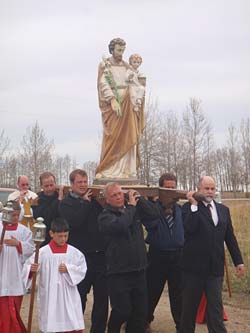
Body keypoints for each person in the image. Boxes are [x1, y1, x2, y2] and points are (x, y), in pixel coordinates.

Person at [180, 176, 245, 333]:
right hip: (193, 269)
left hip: (215, 269)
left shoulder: (223, 210)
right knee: (189, 309)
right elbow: (189, 228)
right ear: (198, 189)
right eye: (206, 188)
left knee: (215, 308)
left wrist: (239, 262)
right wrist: (194, 204)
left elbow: (230, 237)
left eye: (212, 188)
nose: (210, 192)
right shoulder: (187, 208)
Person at [98, 182, 159, 333]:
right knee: (122, 310)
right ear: (107, 199)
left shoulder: (132, 210)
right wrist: (131, 207)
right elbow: (121, 225)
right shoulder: (105, 216)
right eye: (114, 195)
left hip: (139, 270)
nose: (119, 197)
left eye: (120, 193)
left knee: (139, 313)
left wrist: (139, 199)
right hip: (119, 273)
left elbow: (155, 214)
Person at [59, 169, 108, 333]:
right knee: (79, 297)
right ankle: (75, 329)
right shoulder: (66, 204)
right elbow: (75, 222)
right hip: (80, 258)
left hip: (100, 256)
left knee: (102, 298)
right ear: (72, 184)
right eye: (79, 182)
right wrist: (85, 204)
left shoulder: (94, 201)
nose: (83, 185)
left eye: (85, 181)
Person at [23, 218, 87, 333]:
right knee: (51, 321)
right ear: (51, 233)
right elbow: (28, 267)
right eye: (60, 236)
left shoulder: (74, 253)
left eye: (65, 236)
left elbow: (82, 269)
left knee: (71, 320)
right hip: (49, 294)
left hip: (68, 294)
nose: (63, 239)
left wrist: (68, 268)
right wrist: (31, 270)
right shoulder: (42, 253)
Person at [95, 38, 145, 180]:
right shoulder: (105, 65)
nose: (121, 53)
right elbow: (103, 83)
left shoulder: (127, 66)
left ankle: (127, 170)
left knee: (129, 134)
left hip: (128, 104)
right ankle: (108, 169)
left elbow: (135, 81)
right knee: (113, 136)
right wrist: (111, 99)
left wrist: (138, 91)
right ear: (112, 50)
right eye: (118, 50)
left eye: (123, 50)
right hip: (114, 106)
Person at [145, 173, 183, 333]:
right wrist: (153, 204)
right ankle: (143, 321)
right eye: (166, 188)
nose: (169, 191)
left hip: (178, 256)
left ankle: (181, 326)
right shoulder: (152, 209)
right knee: (151, 291)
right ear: (160, 188)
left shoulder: (180, 209)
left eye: (172, 188)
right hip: (157, 255)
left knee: (178, 295)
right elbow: (150, 224)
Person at [0, 200, 34, 333]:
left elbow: (31, 249)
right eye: (12, 215)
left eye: (17, 215)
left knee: (13, 311)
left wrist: (18, 244)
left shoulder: (24, 231)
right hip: (1, 275)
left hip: (15, 276)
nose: (15, 218)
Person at [32, 171, 64, 245]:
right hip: (45, 239)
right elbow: (46, 217)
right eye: (46, 186)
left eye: (51, 185)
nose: (49, 188)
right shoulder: (37, 200)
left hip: (62, 237)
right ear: (41, 186)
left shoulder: (63, 196)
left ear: (55, 184)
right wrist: (58, 200)